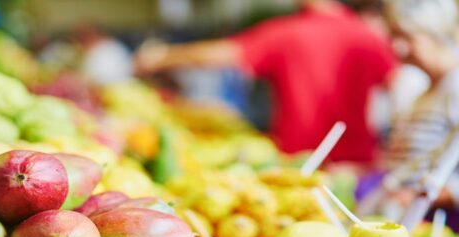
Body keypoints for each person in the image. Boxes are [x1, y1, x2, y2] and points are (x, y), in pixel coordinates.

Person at [135, 0, 396, 164]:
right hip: (359, 161)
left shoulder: (287, 32)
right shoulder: (367, 35)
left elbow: (225, 54)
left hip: (298, 161)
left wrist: (162, 56)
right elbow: (393, 84)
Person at [357, 0, 459, 223]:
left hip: (442, 231)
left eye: (406, 36)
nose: (397, 47)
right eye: (393, 36)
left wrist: (421, 195)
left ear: (435, 31)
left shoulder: (455, 89)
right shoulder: (424, 94)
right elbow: (409, 163)